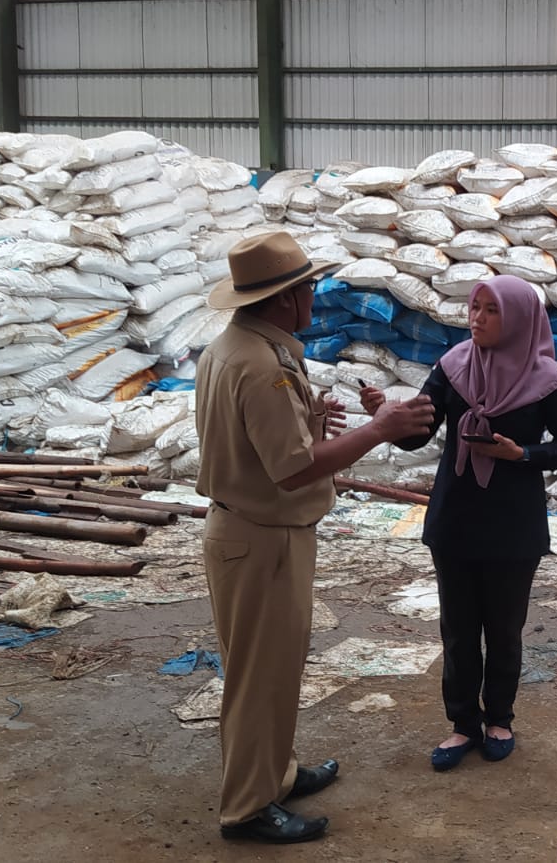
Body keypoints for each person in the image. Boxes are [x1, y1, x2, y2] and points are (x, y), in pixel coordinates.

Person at [195, 231, 436, 844]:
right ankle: (247, 808)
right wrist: (380, 429)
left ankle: (273, 774)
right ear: (284, 299)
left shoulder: (238, 348)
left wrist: (311, 421)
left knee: (272, 670)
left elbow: (259, 443)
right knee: (259, 677)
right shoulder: (261, 366)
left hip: (252, 529)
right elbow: (294, 469)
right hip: (262, 537)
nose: (313, 296)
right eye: (307, 288)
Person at [368, 274, 557, 772]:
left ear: (520, 319)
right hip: (456, 519)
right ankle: (463, 723)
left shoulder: (545, 379)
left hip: (513, 524)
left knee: (504, 629)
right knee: (459, 630)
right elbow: (420, 436)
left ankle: (499, 720)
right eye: (475, 307)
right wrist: (386, 418)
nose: (477, 318)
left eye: (491, 310)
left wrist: (521, 453)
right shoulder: (453, 366)